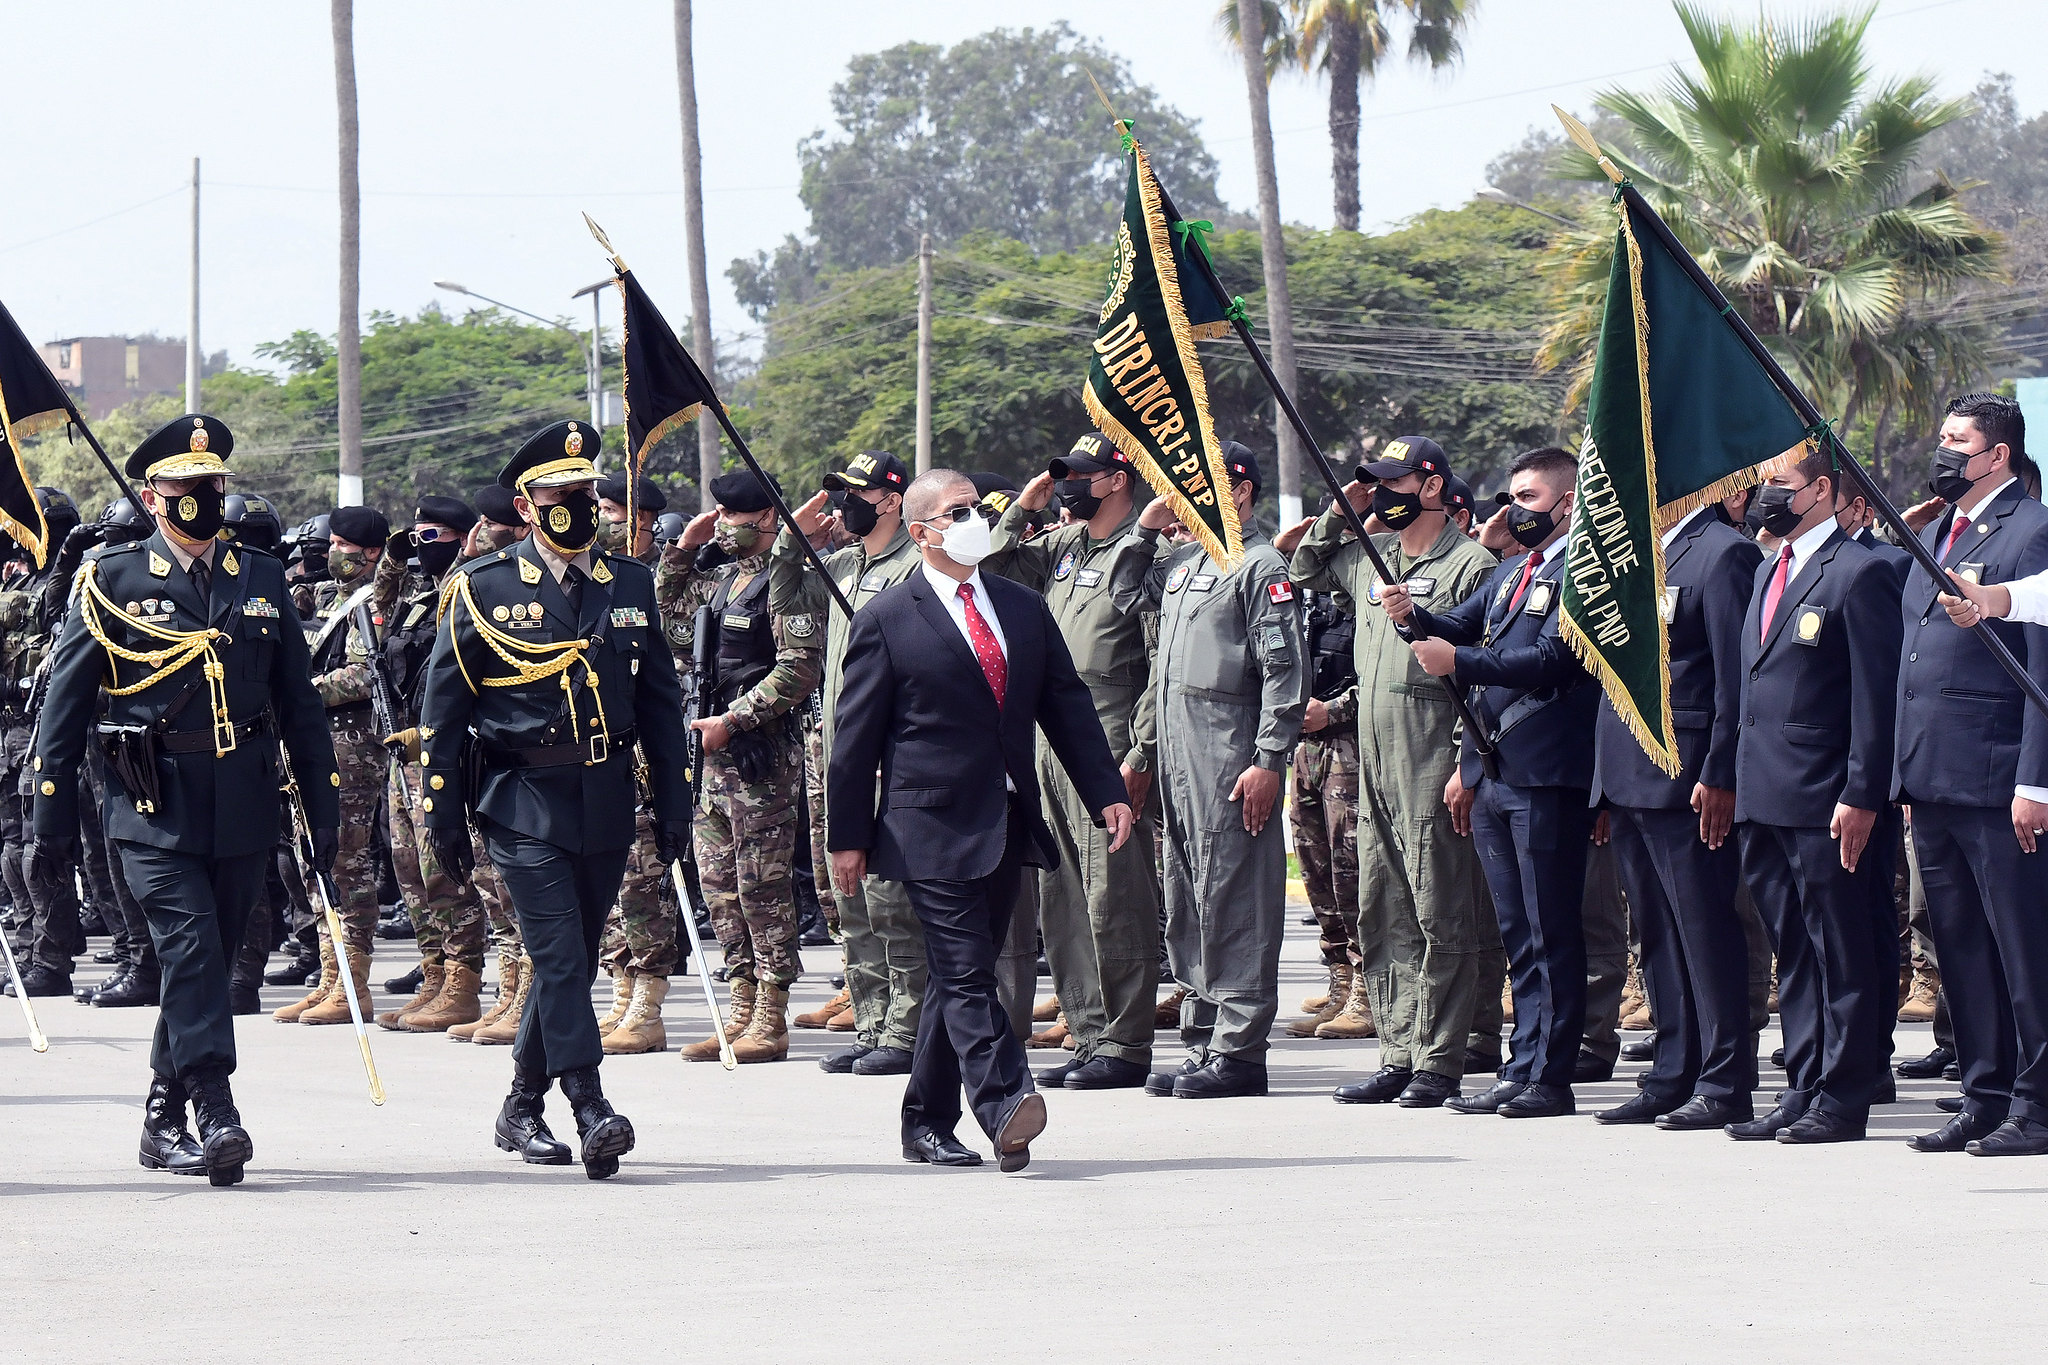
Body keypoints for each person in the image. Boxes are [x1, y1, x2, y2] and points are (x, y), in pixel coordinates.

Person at [31, 413, 339, 1185]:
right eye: (185, 484)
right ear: (152, 495)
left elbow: (298, 703)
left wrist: (323, 809)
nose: (202, 494)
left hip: (242, 799)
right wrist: (49, 823)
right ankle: (215, 1104)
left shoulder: (260, 578)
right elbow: (63, 710)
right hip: (149, 803)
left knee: (197, 964)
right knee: (193, 949)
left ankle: (160, 1117)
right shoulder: (113, 579)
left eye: (212, 482)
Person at [828, 468, 1133, 1171]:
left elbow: (1066, 703)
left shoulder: (1021, 605)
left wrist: (1104, 788)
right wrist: (848, 837)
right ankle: (1004, 1102)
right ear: (921, 532)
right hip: (924, 823)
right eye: (957, 511)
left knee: (953, 977)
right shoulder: (888, 617)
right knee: (968, 972)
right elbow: (855, 741)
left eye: (977, 507)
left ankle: (925, 1122)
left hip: (1003, 816)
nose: (974, 518)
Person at [416, 419, 690, 1180]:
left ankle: (520, 1104)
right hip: (519, 795)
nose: (577, 503)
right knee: (564, 956)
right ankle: (590, 1101)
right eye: (559, 494)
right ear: (527, 504)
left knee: (561, 962)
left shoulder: (629, 582)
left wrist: (673, 799)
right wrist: (440, 813)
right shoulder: (484, 585)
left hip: (603, 794)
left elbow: (660, 703)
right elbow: (444, 711)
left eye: (585, 492)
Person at [1383, 446, 1597, 1118]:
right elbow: (1460, 625)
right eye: (1511, 496)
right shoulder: (1511, 572)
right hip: (1494, 771)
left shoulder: (1582, 573)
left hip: (1546, 772)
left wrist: (1460, 661)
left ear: (1566, 503)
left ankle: (1550, 1074)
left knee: (1550, 925)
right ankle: (1521, 1063)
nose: (1513, 510)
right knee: (1518, 931)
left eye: (1528, 498)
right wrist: (1412, 618)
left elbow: (1550, 659)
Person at [1289, 436, 1503, 1105]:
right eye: (1375, 483)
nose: (1383, 493)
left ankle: (1440, 1058)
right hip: (1373, 755)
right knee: (1382, 907)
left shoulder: (1471, 563)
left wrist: (1468, 763)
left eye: (1394, 481)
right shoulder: (1367, 559)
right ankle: (1398, 1047)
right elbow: (1300, 566)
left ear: (1434, 485)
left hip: (1432, 752)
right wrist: (1344, 507)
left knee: (1442, 908)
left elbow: (1488, 673)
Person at [1116, 442, 1307, 1100]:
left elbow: (1284, 671)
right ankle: (1203, 1040)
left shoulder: (1260, 566)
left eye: (1201, 486)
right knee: (1189, 899)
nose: (1187, 495)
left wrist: (1269, 758)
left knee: (1236, 897)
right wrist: (1144, 527)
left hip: (1230, 746)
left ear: (1242, 492)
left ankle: (1240, 1048)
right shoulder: (1183, 561)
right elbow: (1122, 594)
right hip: (1179, 745)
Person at [1727, 445, 1902, 1144]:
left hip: (1827, 799)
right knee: (1793, 949)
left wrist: (1862, 793)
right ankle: (1804, 1081)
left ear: (1823, 490)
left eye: (1780, 483)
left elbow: (1874, 697)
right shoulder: (1773, 566)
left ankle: (1845, 1092)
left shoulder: (1860, 573)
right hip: (1764, 795)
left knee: (1844, 948)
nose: (1768, 494)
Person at [981, 432, 1160, 1089]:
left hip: (1108, 740)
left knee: (1114, 894)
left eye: (1082, 474)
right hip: (1046, 741)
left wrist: (1141, 752)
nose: (1069, 484)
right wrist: (1021, 512)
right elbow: (991, 572)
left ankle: (1125, 1038)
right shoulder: (1060, 548)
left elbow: (1157, 665)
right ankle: (1087, 1031)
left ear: (1117, 479)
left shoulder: (1145, 556)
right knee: (1063, 896)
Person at [1895, 393, 2048, 1156]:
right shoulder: (1939, 529)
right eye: (1942, 437)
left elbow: (2043, 663)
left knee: (2023, 950)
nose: (1943, 451)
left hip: (1999, 784)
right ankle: (1984, 1094)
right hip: (1937, 783)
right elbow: (1916, 667)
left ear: (1999, 456)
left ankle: (2038, 1103)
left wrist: (2036, 781)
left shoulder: (2033, 528)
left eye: (1958, 441)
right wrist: (1906, 779)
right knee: (1961, 949)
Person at [1588, 499, 1763, 1129]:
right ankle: (1672, 1070)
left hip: (1687, 774)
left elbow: (1732, 678)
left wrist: (1721, 772)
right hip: (1628, 771)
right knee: (1656, 934)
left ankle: (1724, 1078)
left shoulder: (1723, 552)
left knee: (1705, 930)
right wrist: (1602, 784)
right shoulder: (1633, 554)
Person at [768, 450, 927, 1075]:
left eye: (855, 494)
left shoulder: (917, 566)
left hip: (890, 753)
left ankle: (905, 1029)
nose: (842, 504)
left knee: (892, 899)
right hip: (838, 754)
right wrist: (791, 537)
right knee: (849, 894)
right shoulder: (837, 565)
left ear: (889, 500)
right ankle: (870, 1020)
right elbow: (785, 600)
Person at [663, 470, 824, 1064]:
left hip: (757, 757)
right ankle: (739, 1003)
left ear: (767, 519)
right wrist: (680, 553)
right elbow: (671, 621)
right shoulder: (723, 582)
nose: (725, 523)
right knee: (719, 887)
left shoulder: (790, 583)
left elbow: (798, 668)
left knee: (761, 885)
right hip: (710, 760)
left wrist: (735, 720)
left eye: (737, 515)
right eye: (720, 513)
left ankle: (771, 1014)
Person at [371, 495, 499, 1034]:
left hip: (442, 751)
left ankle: (464, 982)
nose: (424, 546)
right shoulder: (419, 597)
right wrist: (394, 558)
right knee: (411, 871)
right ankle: (435, 976)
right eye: (417, 534)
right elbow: (380, 625)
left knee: (448, 872)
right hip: (405, 750)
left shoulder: (470, 589)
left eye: (434, 536)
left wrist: (465, 560)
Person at [273, 504, 389, 1027]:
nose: (333, 553)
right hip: (317, 749)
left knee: (347, 863)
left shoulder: (373, 605)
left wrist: (302, 692)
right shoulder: (333, 600)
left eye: (344, 546)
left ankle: (353, 982)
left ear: (370, 553)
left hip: (353, 749)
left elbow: (365, 677)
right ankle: (329, 976)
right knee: (314, 861)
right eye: (333, 543)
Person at [593, 472, 684, 1055]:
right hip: (595, 753)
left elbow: (667, 672)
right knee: (610, 882)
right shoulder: (590, 579)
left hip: (645, 753)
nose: (599, 517)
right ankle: (621, 991)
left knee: (645, 882)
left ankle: (648, 1003)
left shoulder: (661, 582)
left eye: (610, 508)